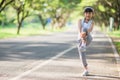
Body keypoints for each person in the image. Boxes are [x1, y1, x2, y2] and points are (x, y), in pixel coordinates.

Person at [77, 7, 94, 76]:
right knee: (82, 55)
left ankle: (83, 44)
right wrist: (82, 35)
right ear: (84, 14)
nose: (88, 14)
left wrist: (85, 34)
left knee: (85, 29)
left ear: (92, 14)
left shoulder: (92, 22)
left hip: (88, 38)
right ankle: (86, 70)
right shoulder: (80, 20)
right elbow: (79, 30)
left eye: (90, 13)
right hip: (80, 39)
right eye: (86, 13)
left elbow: (90, 30)